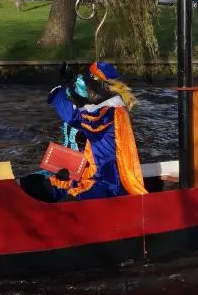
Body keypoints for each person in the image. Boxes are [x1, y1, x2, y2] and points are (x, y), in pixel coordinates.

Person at [28, 62, 146, 202]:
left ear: (99, 87)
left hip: (107, 181)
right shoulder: (109, 108)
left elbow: (74, 117)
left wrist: (58, 91)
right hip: (91, 172)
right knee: (36, 183)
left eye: (88, 86)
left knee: (69, 200)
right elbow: (83, 110)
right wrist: (70, 91)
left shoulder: (106, 114)